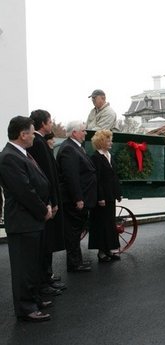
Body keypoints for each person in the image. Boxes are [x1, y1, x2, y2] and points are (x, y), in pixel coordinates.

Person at [0, 116, 53, 322]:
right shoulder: (9, 157)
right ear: (23, 135)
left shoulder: (20, 154)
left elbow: (36, 184)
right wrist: (43, 210)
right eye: (31, 132)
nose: (34, 136)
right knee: (24, 269)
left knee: (32, 266)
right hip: (23, 222)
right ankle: (26, 307)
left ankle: (34, 299)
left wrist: (46, 204)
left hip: (31, 220)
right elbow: (25, 192)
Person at [27, 110, 66, 296]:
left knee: (47, 243)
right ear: (43, 123)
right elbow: (46, 176)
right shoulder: (39, 143)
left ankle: (47, 277)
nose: (51, 124)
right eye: (49, 121)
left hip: (48, 200)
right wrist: (53, 201)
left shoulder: (40, 142)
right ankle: (44, 280)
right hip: (46, 202)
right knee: (45, 244)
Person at [56, 121, 97, 272]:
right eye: (83, 131)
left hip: (80, 198)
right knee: (73, 232)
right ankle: (74, 263)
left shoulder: (74, 147)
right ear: (74, 132)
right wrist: (78, 198)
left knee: (75, 231)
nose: (85, 133)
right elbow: (71, 177)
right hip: (74, 200)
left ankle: (76, 261)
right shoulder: (69, 149)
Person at [88, 130, 122, 262]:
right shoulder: (96, 157)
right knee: (101, 224)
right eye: (108, 140)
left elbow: (114, 176)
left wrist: (118, 193)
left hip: (110, 196)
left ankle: (109, 250)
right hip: (102, 197)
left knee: (109, 224)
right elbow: (97, 179)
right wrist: (100, 197)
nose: (111, 142)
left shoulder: (109, 155)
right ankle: (102, 252)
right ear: (101, 142)